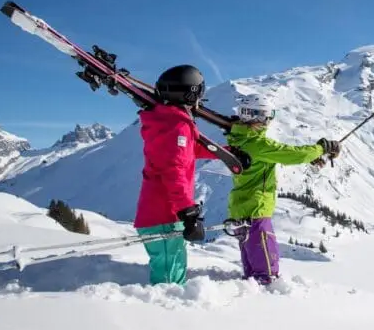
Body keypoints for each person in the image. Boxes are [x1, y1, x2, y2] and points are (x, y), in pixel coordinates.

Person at [224, 94, 341, 285]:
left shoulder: (239, 140)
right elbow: (292, 154)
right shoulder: (258, 144)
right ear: (259, 117)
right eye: (268, 116)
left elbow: (278, 155)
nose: (269, 122)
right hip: (257, 210)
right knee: (266, 273)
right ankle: (272, 303)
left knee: (251, 272)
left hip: (240, 210)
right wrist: (321, 148)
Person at [133, 64, 217, 286]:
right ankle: (166, 318)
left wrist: (224, 153)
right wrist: (187, 211)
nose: (201, 97)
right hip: (165, 216)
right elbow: (174, 169)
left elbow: (188, 150)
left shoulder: (166, 121)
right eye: (199, 90)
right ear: (189, 93)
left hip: (160, 214)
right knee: (169, 281)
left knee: (173, 268)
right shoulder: (177, 126)